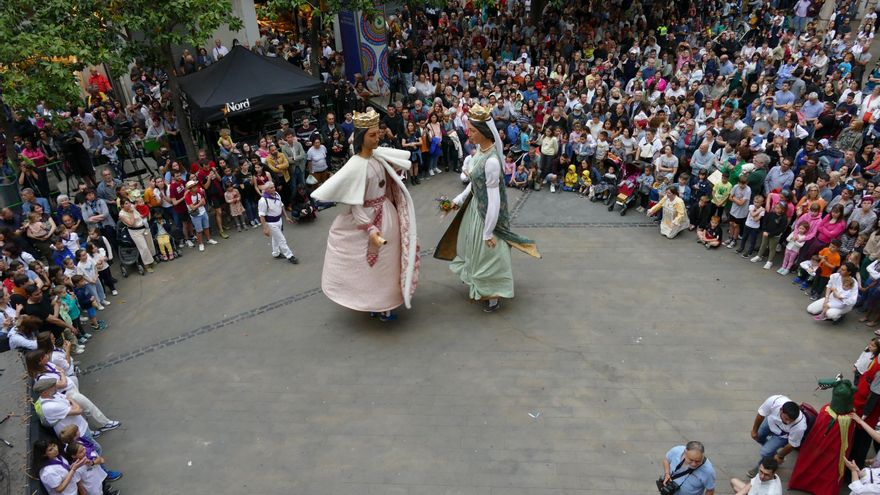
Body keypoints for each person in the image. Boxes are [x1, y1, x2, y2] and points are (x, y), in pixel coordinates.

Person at [311, 109, 419, 320]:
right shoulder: (355, 166)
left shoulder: (379, 157)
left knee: (388, 263)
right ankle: (375, 303)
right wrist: (369, 227)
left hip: (387, 214)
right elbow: (355, 203)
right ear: (361, 138)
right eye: (372, 135)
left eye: (378, 133)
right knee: (371, 266)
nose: (377, 137)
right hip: (370, 220)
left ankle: (384, 301)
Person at [434, 104, 540, 313]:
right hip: (476, 208)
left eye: (472, 130)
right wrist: (457, 200)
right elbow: (474, 183)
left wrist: (489, 231)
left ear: (484, 132)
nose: (468, 133)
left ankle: (493, 296)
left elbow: (495, 200)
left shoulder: (491, 161)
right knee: (474, 250)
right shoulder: (479, 153)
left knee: (489, 255)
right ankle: (481, 287)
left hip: (488, 215)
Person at [748, 395, 807, 478]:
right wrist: (754, 430)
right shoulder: (773, 401)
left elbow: (792, 444)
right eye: (786, 418)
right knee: (758, 436)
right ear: (781, 410)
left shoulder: (800, 427)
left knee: (765, 452)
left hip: (783, 435)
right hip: (770, 422)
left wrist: (780, 456)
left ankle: (761, 468)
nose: (788, 422)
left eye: (791, 420)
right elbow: (761, 414)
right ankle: (772, 452)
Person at [257, 181, 298, 264]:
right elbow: (261, 215)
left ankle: (276, 253)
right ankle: (290, 256)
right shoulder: (263, 200)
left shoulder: (277, 194)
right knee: (281, 239)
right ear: (267, 189)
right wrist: (265, 228)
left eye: (274, 187)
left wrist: (286, 217)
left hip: (279, 220)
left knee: (276, 238)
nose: (274, 189)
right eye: (271, 188)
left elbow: (281, 205)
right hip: (271, 223)